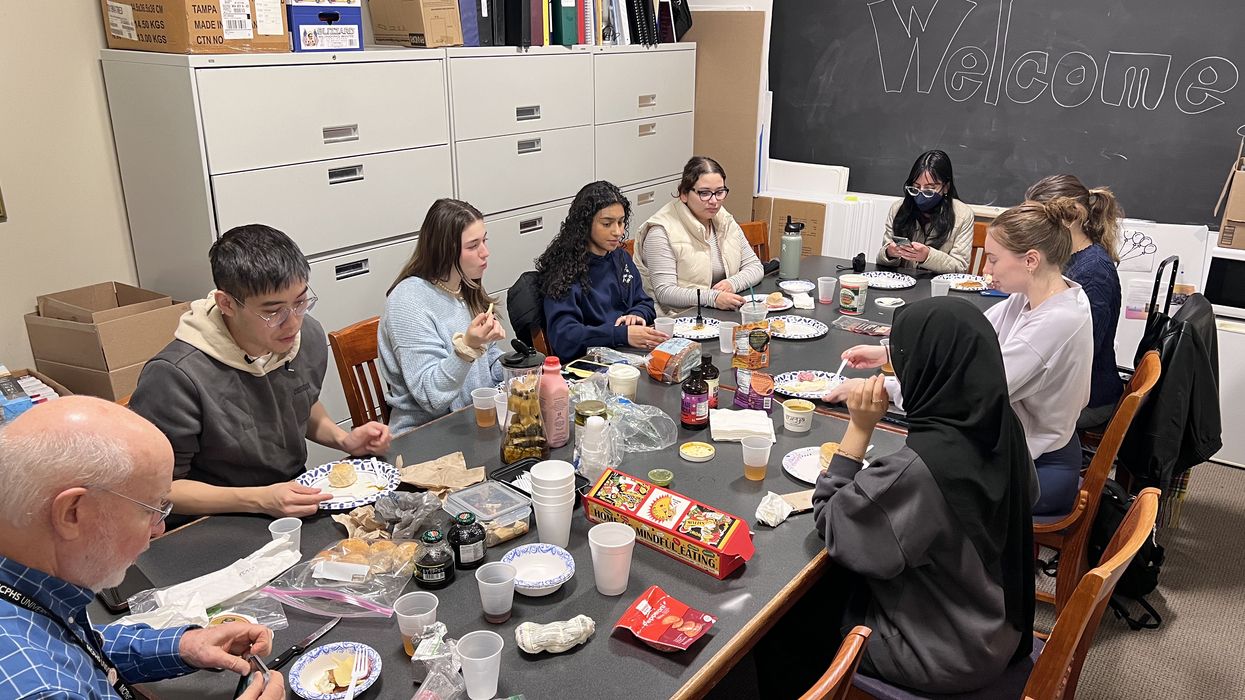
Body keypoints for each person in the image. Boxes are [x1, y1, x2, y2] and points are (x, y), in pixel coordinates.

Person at [812, 298, 1034, 694]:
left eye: (901, 362)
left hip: (941, 652)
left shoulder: (919, 469)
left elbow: (834, 526)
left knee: (798, 614)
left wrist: (859, 430)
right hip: (997, 623)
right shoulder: (1001, 423)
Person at [0, 397, 283, 699]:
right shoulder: (44, 690)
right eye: (151, 508)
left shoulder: (26, 590)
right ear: (73, 512)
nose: (159, 527)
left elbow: (72, 647)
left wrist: (184, 646)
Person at [830, 199, 1092, 516]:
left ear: (1031, 261)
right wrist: (888, 352)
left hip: (1035, 464)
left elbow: (968, 394)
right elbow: (968, 343)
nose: (985, 270)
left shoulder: (1056, 321)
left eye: (993, 260)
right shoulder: (1031, 298)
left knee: (901, 503)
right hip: (1020, 441)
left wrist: (880, 391)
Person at [130, 225, 391, 519]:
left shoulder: (307, 338)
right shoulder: (175, 376)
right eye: (272, 311)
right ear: (226, 303)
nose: (292, 323)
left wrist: (343, 439)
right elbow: (158, 490)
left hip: (286, 501)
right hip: (213, 521)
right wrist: (259, 500)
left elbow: (299, 403)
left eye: (300, 302)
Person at [380, 198, 506, 433]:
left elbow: (488, 364)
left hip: (471, 423)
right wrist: (467, 348)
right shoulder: (408, 301)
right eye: (472, 246)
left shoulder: (464, 287)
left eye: (484, 241)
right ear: (444, 252)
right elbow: (431, 396)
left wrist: (520, 369)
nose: (485, 253)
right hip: (424, 434)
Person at [1027, 174, 1125, 429]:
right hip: (1075, 387)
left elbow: (1079, 353)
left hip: (1089, 399)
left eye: (1040, 221)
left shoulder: (1093, 272)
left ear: (1070, 218)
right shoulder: (1070, 257)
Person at [536, 181, 665, 358]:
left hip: (625, 354)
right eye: (607, 224)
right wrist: (621, 334)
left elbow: (644, 302)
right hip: (589, 365)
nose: (618, 232)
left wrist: (636, 315)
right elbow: (565, 337)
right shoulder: (564, 270)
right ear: (585, 224)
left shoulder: (621, 258)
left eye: (621, 222)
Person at [634, 156, 765, 315]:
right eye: (704, 193)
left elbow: (755, 267)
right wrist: (713, 298)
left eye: (719, 192)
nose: (714, 201)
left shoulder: (723, 219)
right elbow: (665, 292)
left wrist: (732, 283)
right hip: (677, 319)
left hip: (716, 313)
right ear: (683, 193)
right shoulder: (661, 231)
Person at [876, 149, 974, 273]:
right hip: (901, 284)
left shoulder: (963, 215)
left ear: (946, 188)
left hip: (937, 288)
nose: (921, 193)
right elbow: (881, 260)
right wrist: (889, 253)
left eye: (930, 188)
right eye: (916, 187)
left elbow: (960, 267)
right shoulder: (898, 208)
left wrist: (928, 256)